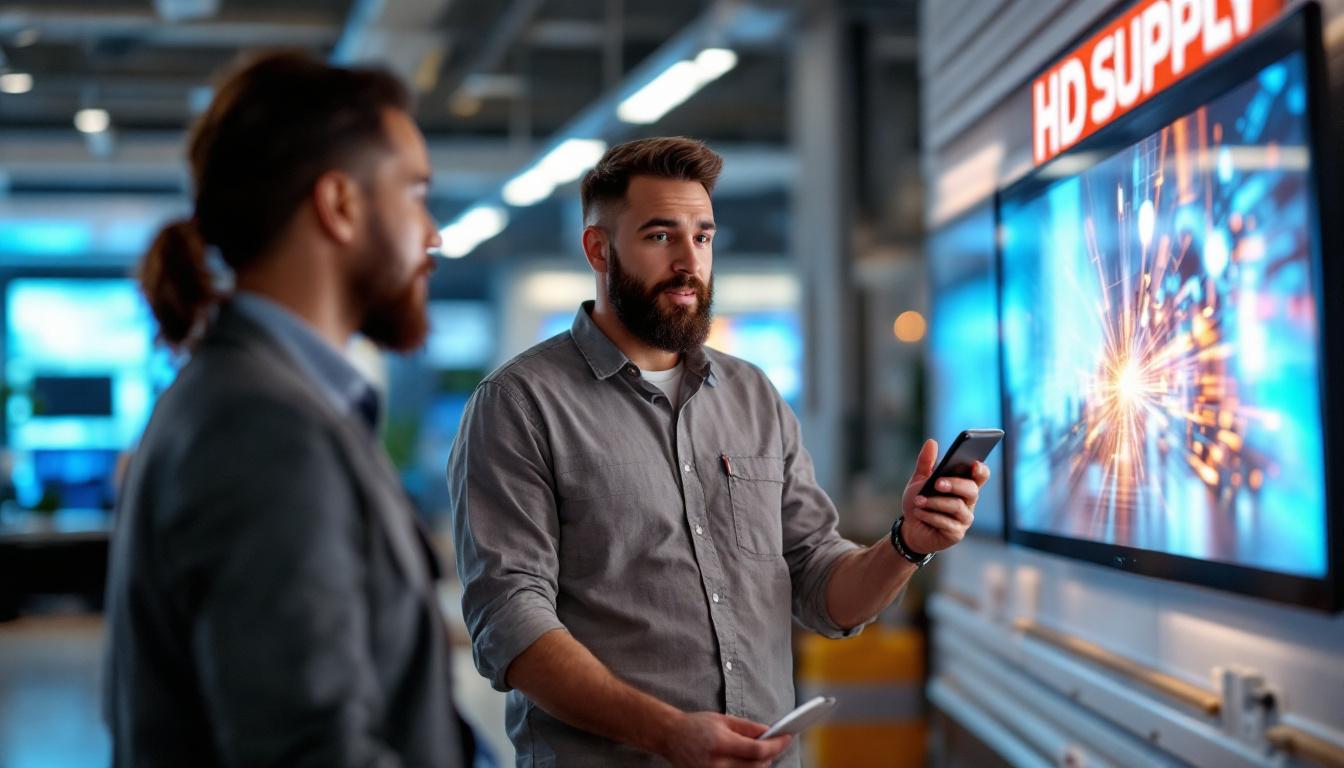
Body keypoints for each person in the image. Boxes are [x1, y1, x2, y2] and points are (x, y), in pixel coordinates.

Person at [447, 136, 987, 766]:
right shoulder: (519, 404)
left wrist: (907, 544)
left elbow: (819, 584)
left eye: (702, 237)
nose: (688, 261)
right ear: (599, 248)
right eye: (659, 236)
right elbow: (509, 620)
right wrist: (668, 732)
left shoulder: (753, 395)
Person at [103, 52, 469, 767]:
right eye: (414, 191)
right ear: (339, 206)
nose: (433, 233)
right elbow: (310, 751)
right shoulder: (261, 428)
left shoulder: (268, 399)